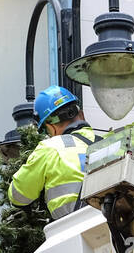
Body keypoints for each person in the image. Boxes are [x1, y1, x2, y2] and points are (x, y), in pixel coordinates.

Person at [8, 85, 99, 221]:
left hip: (72, 230)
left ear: (50, 127)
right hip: (115, 232)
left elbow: (19, 196)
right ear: (81, 114)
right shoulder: (110, 143)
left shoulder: (50, 147)